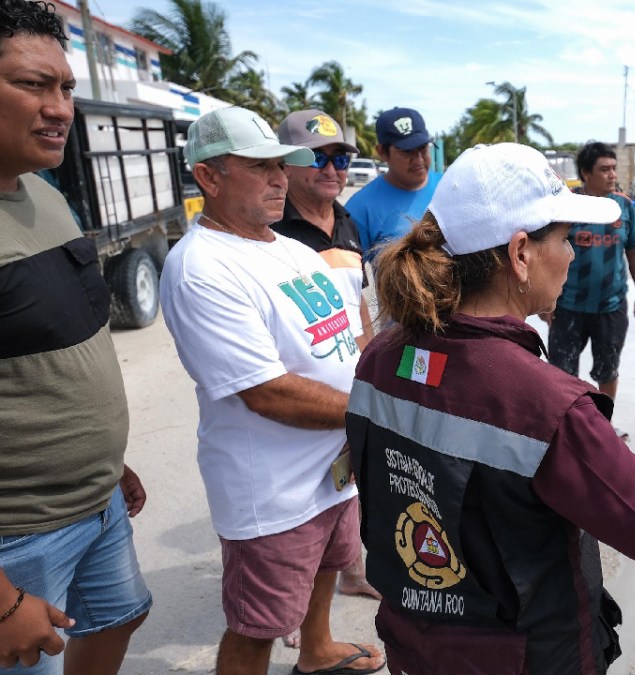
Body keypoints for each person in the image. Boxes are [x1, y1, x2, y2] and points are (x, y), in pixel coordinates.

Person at [345, 142, 635, 674]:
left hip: (414, 644)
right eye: (565, 238)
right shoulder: (545, 404)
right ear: (520, 254)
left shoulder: (381, 354)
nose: (574, 254)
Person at [159, 106, 385, 675]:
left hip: (332, 468)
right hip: (273, 492)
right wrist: (378, 413)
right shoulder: (202, 269)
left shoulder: (287, 248)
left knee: (330, 565)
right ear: (209, 177)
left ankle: (317, 650)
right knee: (258, 624)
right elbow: (267, 393)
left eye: (282, 166)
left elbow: (348, 336)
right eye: (260, 167)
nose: (280, 178)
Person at [0, 2, 151, 671]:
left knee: (121, 614)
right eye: (32, 84)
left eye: (65, 87)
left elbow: (56, 342)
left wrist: (103, 458)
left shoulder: (45, 194)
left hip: (93, 500)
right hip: (18, 535)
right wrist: (4, 599)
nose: (59, 107)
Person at [271, 109, 380, 643]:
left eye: (341, 158)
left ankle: (352, 574)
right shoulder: (269, 229)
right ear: (287, 165)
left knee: (347, 486)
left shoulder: (346, 220)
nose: (333, 169)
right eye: (318, 157)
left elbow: (357, 301)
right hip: (293, 396)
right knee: (297, 512)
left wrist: (369, 363)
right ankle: (292, 615)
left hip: (348, 382)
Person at [543, 141, 635, 423]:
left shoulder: (625, 207)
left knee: (608, 371)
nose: (612, 174)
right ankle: (562, 428)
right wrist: (546, 299)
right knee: (561, 374)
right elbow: (547, 252)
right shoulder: (567, 206)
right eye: (605, 169)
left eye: (614, 168)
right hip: (568, 306)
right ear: (586, 174)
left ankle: (603, 426)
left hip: (610, 307)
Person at [345, 107, 441, 261]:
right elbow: (350, 274)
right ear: (382, 152)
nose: (418, 159)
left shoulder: (450, 187)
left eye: (422, 148)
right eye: (407, 151)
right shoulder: (360, 208)